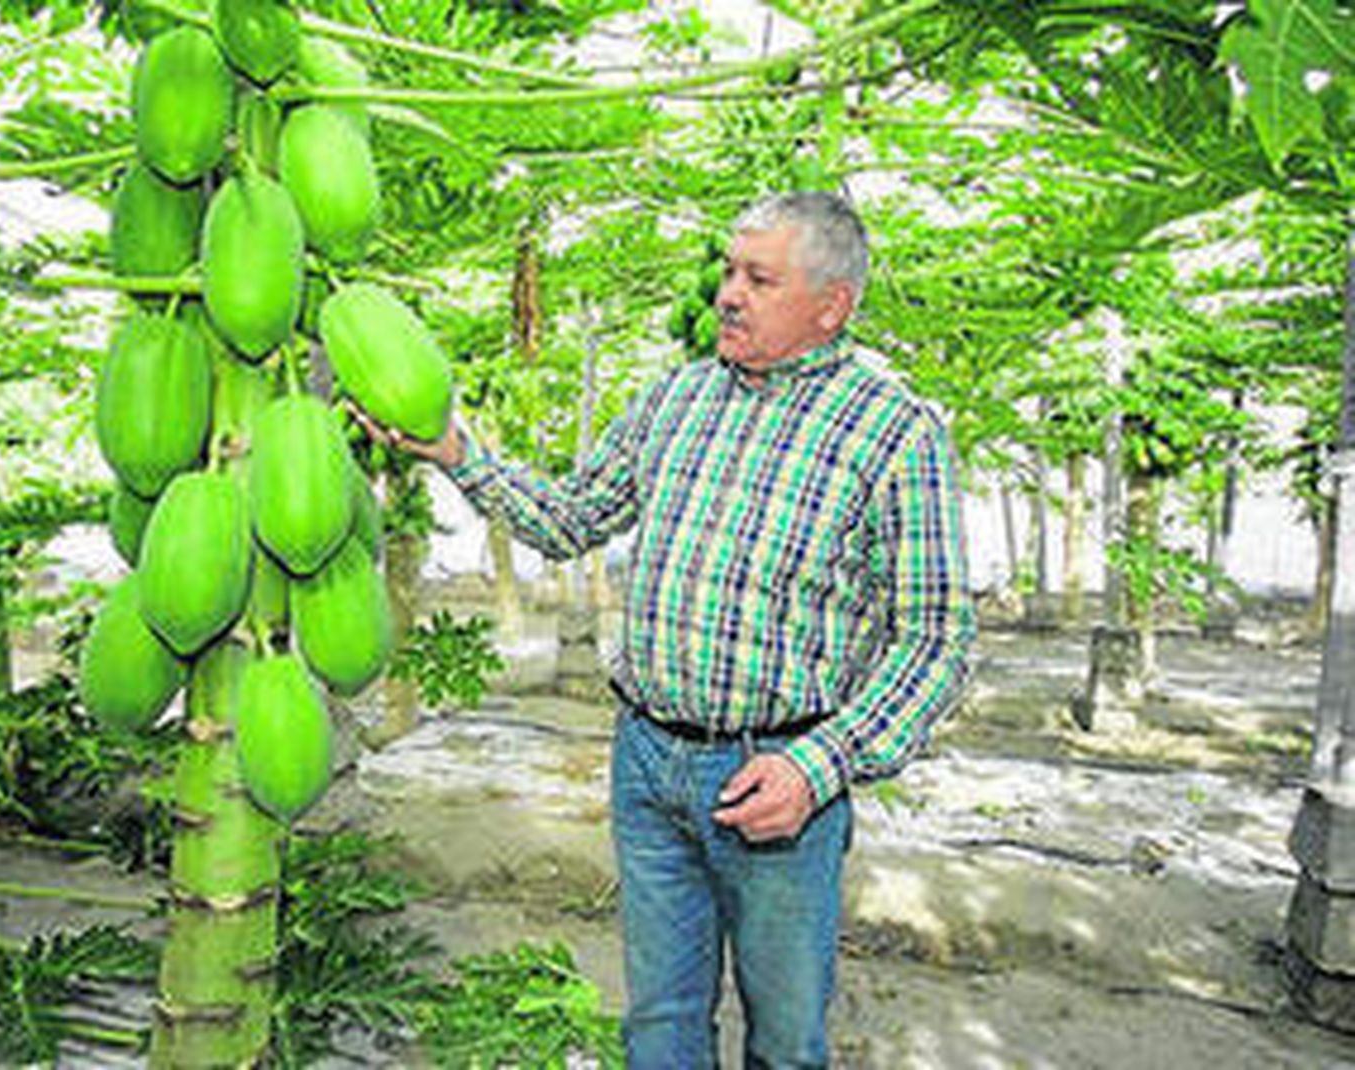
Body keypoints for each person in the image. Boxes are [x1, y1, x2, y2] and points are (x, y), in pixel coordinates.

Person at [361, 190, 975, 1068]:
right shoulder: (676, 399)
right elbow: (572, 517)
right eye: (729, 270)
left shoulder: (894, 431)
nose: (728, 292)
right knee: (659, 1027)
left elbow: (936, 638)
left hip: (778, 775)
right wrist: (463, 456)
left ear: (830, 307)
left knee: (787, 1043)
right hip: (648, 761)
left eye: (759, 278)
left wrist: (821, 764)